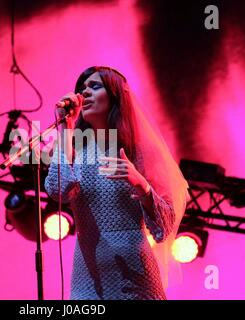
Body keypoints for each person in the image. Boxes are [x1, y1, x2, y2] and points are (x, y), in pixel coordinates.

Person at [44, 66, 189, 300]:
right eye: (82, 89)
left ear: (115, 95)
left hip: (134, 268)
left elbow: (163, 229)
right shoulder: (74, 149)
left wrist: (142, 186)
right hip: (87, 268)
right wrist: (65, 128)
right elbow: (58, 191)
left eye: (94, 86)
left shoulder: (140, 150)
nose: (85, 93)